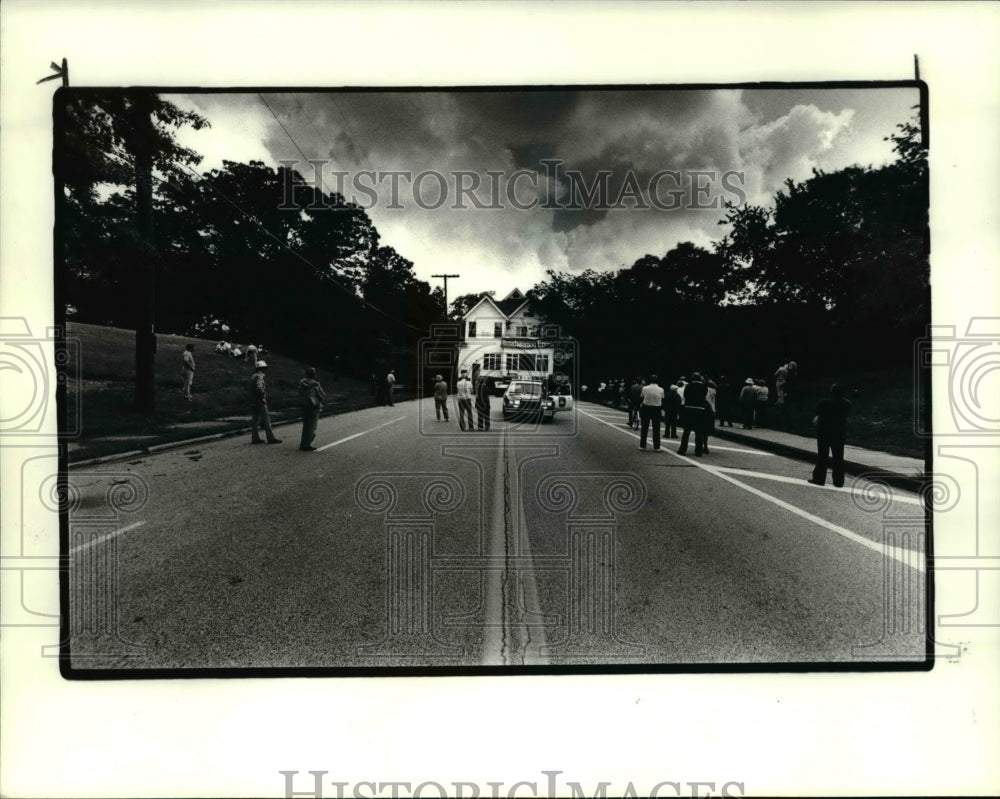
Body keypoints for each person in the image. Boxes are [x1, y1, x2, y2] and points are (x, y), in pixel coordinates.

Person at [809, 384, 852, 487]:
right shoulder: (847, 404)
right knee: (838, 457)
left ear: (831, 392)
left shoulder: (823, 403)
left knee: (823, 456)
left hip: (824, 432)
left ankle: (819, 478)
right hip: (839, 433)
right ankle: (838, 481)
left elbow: (817, 417)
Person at [249, 361, 281, 444]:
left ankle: (255, 438)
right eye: (264, 368)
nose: (266, 370)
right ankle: (271, 438)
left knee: (255, 421)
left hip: (253, 401)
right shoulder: (259, 377)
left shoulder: (253, 376)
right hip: (260, 402)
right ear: (262, 369)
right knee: (266, 420)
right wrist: (263, 396)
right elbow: (259, 388)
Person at [677, 372, 709, 456]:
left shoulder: (689, 386)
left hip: (689, 409)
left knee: (686, 431)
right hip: (700, 409)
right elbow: (705, 396)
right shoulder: (704, 387)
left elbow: (685, 395)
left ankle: (682, 450)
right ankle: (698, 451)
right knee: (699, 432)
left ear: (693, 378)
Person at [297, 366, 325, 451]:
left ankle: (304, 444)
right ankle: (307, 444)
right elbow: (322, 395)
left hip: (304, 406)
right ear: (314, 374)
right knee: (312, 427)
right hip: (313, 407)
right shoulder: (316, 384)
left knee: (306, 426)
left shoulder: (302, 382)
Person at [637, 374, 664, 451]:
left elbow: (641, 397)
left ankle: (643, 446)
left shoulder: (645, 388)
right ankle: (657, 447)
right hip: (657, 408)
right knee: (656, 428)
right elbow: (662, 399)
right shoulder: (661, 389)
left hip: (646, 407)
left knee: (644, 427)